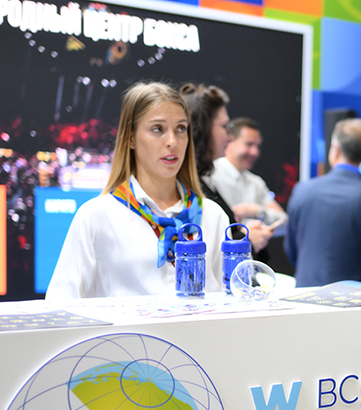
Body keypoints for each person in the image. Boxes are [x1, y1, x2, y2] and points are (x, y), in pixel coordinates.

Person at [46, 82, 228, 299]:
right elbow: (61, 304)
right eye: (158, 129)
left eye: (181, 129)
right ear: (130, 138)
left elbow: (232, 304)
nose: (172, 141)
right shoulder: (96, 216)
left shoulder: (213, 216)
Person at [285, 118, 361, 287]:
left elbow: (292, 250)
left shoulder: (301, 190)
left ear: (335, 150)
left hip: (305, 296)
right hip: (354, 299)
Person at [180, 84, 274, 255]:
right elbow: (201, 252)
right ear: (202, 128)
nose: (229, 137)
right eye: (225, 127)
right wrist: (246, 241)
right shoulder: (184, 188)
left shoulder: (200, 181)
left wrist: (243, 235)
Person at [209, 117, 288, 229]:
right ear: (229, 141)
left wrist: (257, 212)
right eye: (249, 144)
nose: (255, 152)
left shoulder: (255, 183)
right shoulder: (211, 175)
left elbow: (283, 220)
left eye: (257, 146)